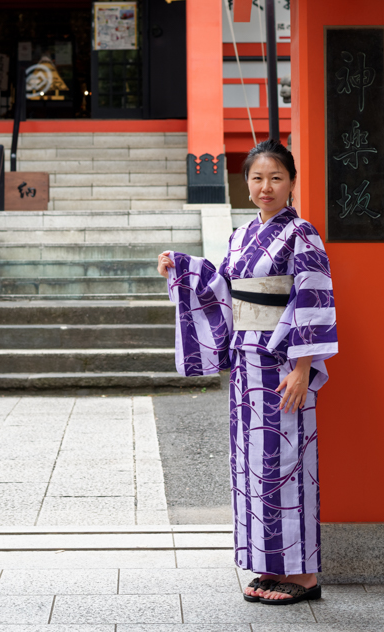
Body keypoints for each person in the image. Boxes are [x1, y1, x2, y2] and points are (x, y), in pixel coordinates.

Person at [156, 139, 337, 606]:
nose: (266, 186)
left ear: (292, 183)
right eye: (257, 178)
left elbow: (312, 299)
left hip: (281, 365)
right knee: (253, 466)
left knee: (289, 463)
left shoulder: (303, 234)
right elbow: (223, 289)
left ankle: (305, 575)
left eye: (276, 177)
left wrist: (302, 368)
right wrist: (183, 268)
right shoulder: (240, 235)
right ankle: (269, 565)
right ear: (247, 183)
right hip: (245, 366)